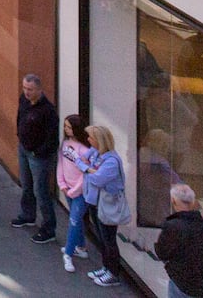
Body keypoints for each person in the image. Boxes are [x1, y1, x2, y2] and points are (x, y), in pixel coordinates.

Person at [9, 72, 59, 242]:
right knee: (26, 185)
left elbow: (52, 138)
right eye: (24, 88)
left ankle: (48, 228)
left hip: (39, 156)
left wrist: (39, 152)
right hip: (24, 149)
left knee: (41, 191)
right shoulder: (23, 100)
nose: (26, 92)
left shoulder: (48, 110)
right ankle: (28, 215)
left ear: (39, 89)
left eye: (30, 89)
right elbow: (19, 117)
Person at [154, 182, 203, 298]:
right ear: (193, 202)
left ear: (173, 201)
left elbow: (162, 253)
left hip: (181, 284)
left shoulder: (173, 226)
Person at [81, 124, 128, 288]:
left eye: (91, 138)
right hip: (95, 202)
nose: (88, 140)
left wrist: (88, 169)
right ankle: (106, 267)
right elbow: (82, 159)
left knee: (109, 239)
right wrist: (90, 168)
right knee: (102, 237)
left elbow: (97, 179)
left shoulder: (112, 161)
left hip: (107, 205)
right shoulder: (97, 153)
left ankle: (113, 273)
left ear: (99, 140)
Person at [57, 112, 94, 274]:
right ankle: (81, 247)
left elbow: (86, 173)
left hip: (80, 191)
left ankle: (69, 253)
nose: (66, 130)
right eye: (65, 127)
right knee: (76, 220)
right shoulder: (65, 144)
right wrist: (62, 184)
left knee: (73, 220)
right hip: (68, 188)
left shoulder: (86, 150)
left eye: (69, 127)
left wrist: (75, 189)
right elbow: (61, 164)